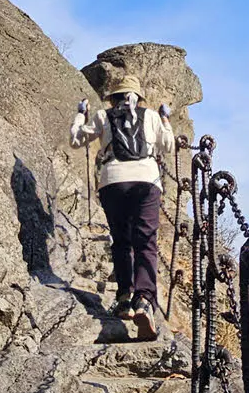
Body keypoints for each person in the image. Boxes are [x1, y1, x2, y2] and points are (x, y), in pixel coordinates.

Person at [70, 75, 174, 340]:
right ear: (137, 97)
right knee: (146, 242)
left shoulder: (104, 117)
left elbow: (76, 140)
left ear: (113, 97)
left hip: (113, 181)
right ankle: (144, 300)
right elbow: (168, 145)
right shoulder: (150, 116)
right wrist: (165, 119)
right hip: (146, 180)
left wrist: (81, 115)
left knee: (121, 241)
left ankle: (124, 297)